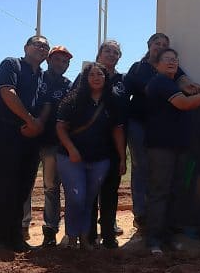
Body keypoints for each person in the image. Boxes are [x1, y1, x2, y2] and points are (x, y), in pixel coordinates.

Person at [144, 48, 200, 255]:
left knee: (174, 193)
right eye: (167, 59)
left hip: (177, 146)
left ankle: (167, 237)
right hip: (161, 147)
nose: (172, 62)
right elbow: (184, 104)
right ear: (157, 65)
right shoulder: (160, 82)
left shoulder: (172, 84)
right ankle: (153, 240)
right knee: (160, 193)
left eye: (175, 60)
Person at [123, 33, 200, 231]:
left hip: (159, 126)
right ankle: (141, 214)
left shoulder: (172, 67)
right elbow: (127, 92)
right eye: (157, 43)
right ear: (149, 45)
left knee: (159, 172)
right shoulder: (138, 68)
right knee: (140, 167)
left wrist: (191, 87)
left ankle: (159, 218)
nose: (160, 46)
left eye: (164, 44)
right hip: (138, 122)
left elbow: (184, 82)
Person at [56, 62, 127, 250]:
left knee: (89, 199)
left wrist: (122, 157)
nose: (96, 78)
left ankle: (85, 239)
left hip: (100, 158)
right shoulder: (72, 100)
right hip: (71, 158)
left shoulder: (113, 101)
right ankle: (71, 237)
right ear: (86, 79)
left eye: (100, 75)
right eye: (92, 75)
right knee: (76, 198)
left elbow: (118, 131)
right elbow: (61, 128)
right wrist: (71, 149)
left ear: (106, 78)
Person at [0, 35, 49, 253]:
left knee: (24, 187)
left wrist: (38, 124)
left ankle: (15, 236)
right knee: (5, 186)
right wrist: (29, 120)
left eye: (45, 47)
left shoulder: (42, 75)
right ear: (26, 47)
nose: (41, 49)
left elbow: (46, 104)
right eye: (37, 45)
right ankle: (0, 237)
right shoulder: (11, 64)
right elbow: (8, 92)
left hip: (31, 136)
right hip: (8, 131)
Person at [22, 45, 73, 247]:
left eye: (65, 61)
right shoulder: (36, 77)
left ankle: (50, 230)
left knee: (51, 187)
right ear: (49, 60)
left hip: (53, 142)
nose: (61, 64)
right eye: (58, 59)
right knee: (25, 184)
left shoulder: (69, 85)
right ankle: (22, 225)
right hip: (30, 139)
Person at [88, 40, 127, 249]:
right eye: (107, 51)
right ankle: (90, 235)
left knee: (111, 190)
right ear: (99, 54)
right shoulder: (86, 76)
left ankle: (109, 233)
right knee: (92, 190)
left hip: (115, 142)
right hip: (91, 143)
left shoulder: (123, 80)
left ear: (119, 57)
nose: (111, 54)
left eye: (115, 52)